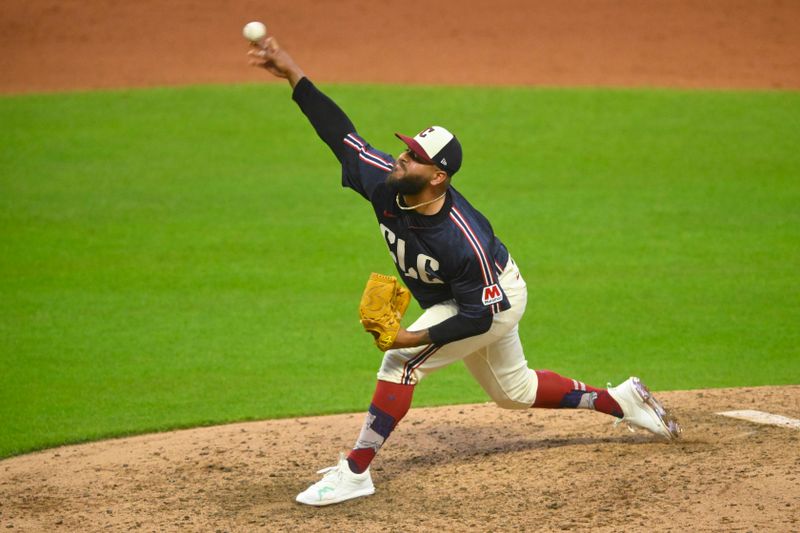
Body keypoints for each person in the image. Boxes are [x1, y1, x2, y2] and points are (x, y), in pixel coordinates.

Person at [248, 36, 681, 507]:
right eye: (407, 149)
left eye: (415, 157)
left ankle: (356, 472)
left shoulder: (460, 239)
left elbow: (477, 318)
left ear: (438, 177)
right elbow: (339, 133)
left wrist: (408, 341)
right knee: (514, 392)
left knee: (400, 365)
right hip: (465, 298)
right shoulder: (385, 183)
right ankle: (619, 400)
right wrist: (292, 72)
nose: (402, 158)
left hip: (492, 301)